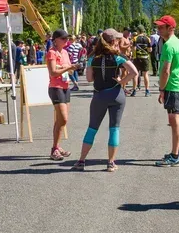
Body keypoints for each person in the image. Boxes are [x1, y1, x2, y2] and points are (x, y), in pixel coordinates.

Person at [72, 29, 138, 172]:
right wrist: (122, 82)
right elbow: (134, 72)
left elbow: (89, 79)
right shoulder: (118, 57)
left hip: (99, 95)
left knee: (92, 128)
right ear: (114, 41)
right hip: (116, 95)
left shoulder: (92, 58)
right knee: (114, 128)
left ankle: (81, 160)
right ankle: (110, 163)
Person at [154, 15, 179, 167]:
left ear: (171, 28)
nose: (158, 29)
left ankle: (175, 156)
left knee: (174, 121)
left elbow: (165, 71)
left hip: (173, 86)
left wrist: (162, 88)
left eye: (162, 27)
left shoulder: (168, 45)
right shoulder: (177, 42)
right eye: (158, 27)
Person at [46, 29, 80, 161]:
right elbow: (53, 72)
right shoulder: (51, 53)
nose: (66, 41)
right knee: (63, 119)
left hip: (65, 87)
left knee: (61, 121)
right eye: (63, 39)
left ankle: (56, 147)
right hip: (55, 87)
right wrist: (69, 68)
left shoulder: (65, 52)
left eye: (67, 39)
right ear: (55, 40)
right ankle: (55, 148)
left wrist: (71, 70)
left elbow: (67, 69)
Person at [132, 25, 152, 97]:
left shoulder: (135, 38)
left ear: (138, 31)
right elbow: (150, 50)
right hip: (145, 58)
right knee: (145, 74)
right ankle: (147, 91)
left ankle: (134, 90)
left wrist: (134, 55)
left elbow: (134, 49)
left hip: (137, 58)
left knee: (136, 74)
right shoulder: (148, 39)